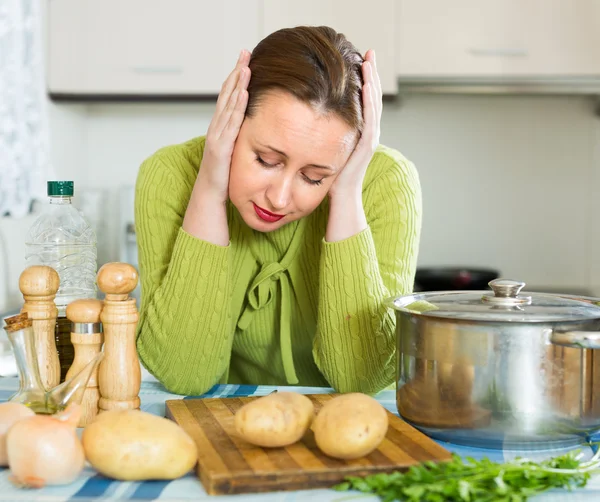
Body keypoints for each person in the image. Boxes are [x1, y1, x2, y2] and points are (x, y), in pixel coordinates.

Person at [134, 26, 422, 396]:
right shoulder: (171, 175)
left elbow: (361, 379)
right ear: (232, 117)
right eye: (266, 160)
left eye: (315, 177)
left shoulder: (385, 182)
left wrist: (347, 192)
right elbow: (184, 374)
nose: (280, 198)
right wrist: (208, 187)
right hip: (225, 428)